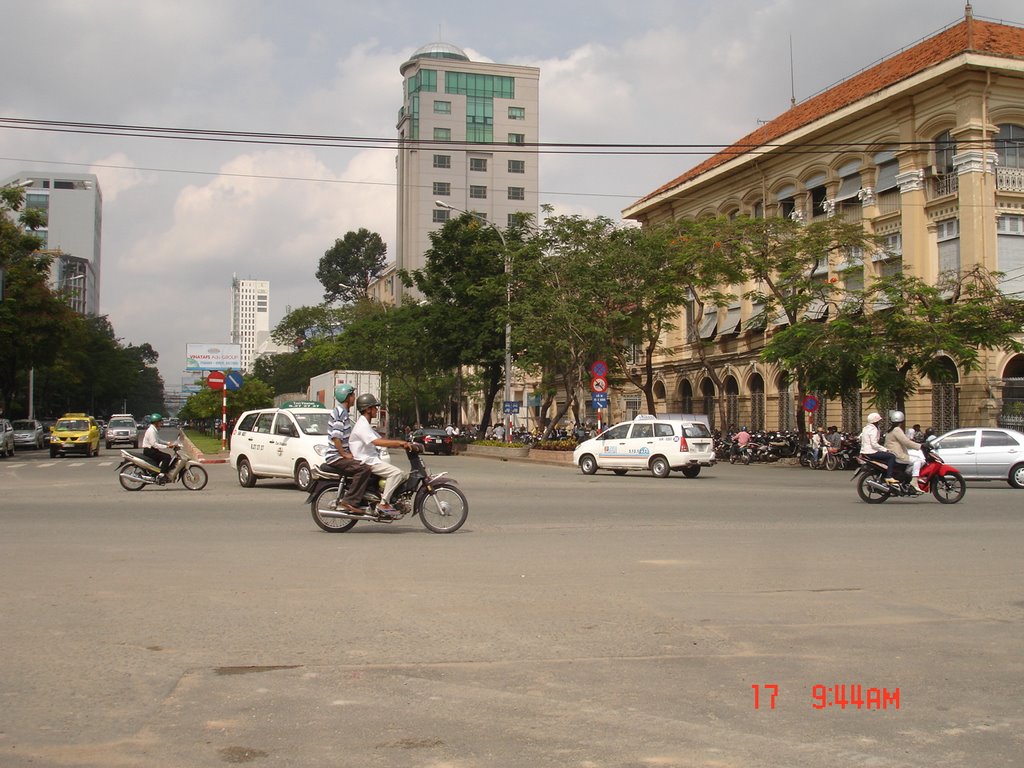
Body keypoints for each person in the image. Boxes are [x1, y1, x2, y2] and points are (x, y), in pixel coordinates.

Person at [348, 393, 417, 518]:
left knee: (400, 474)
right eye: (374, 407)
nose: (376, 410)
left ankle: (384, 497)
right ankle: (383, 503)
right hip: (367, 461)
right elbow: (377, 442)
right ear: (367, 409)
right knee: (397, 473)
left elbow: (381, 438)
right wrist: (400, 443)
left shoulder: (365, 425)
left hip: (372, 459)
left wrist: (408, 443)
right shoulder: (362, 426)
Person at [324, 384, 375, 515]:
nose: (354, 398)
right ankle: (349, 502)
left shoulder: (344, 412)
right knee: (364, 468)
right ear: (347, 397)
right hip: (335, 457)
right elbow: (336, 437)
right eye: (352, 395)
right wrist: (344, 454)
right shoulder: (340, 413)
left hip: (339, 455)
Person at [884, 410, 925, 493]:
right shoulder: (897, 430)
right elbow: (906, 442)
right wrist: (920, 446)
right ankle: (914, 482)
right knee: (918, 460)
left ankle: (906, 478)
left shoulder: (891, 429)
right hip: (898, 455)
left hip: (893, 453)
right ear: (902, 421)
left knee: (913, 459)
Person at [859, 412, 898, 484]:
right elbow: (874, 444)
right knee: (891, 457)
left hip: (864, 451)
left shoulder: (865, 428)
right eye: (878, 421)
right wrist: (885, 450)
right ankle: (889, 477)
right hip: (871, 452)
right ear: (876, 421)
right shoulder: (873, 429)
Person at [142, 413, 177, 479]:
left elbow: (159, 440)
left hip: (151, 450)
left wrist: (168, 443)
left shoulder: (154, 430)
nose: (161, 424)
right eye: (160, 422)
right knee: (167, 457)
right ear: (156, 422)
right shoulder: (151, 431)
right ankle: (162, 474)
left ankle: (155, 473)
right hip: (149, 451)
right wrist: (167, 447)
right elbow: (154, 444)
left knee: (161, 459)